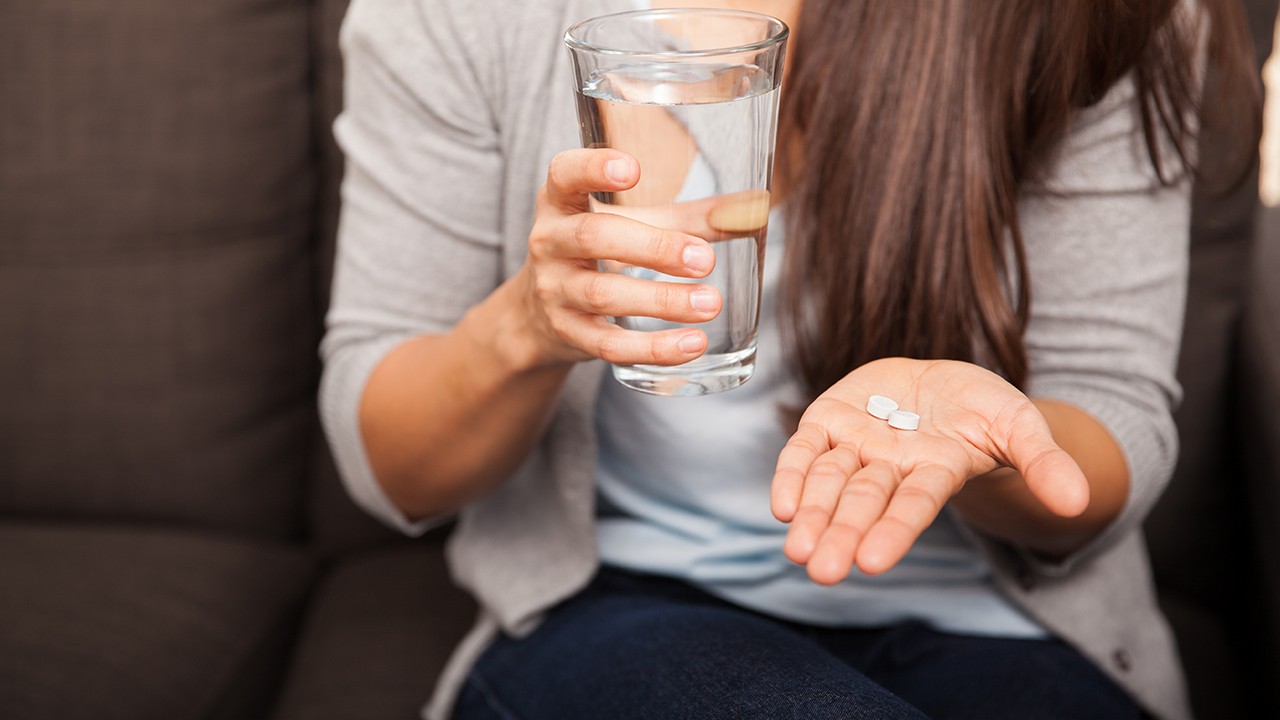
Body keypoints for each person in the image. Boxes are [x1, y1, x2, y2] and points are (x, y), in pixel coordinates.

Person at [320, 0, 1257, 718]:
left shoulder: (1082, 17)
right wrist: (523, 328)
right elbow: (396, 469)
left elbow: (1110, 437)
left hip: (999, 623)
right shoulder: (457, 18)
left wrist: (983, 442)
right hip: (624, 605)